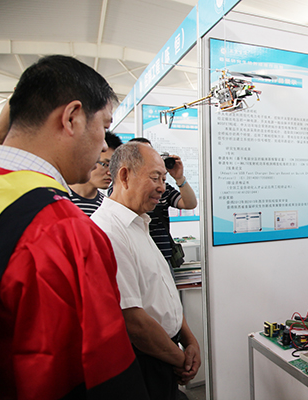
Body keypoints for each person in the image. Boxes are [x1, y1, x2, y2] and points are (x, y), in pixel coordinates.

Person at [0, 55, 148, 399]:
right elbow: (101, 373)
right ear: (72, 117)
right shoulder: (64, 231)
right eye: (103, 125)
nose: (104, 145)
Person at [91, 141, 201, 400]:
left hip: (166, 351)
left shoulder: (139, 222)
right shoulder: (109, 231)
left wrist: (190, 340)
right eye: (155, 177)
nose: (163, 187)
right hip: (146, 359)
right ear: (125, 175)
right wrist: (181, 359)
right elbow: (134, 322)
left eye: (164, 178)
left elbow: (161, 289)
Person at [128, 137, 197, 265]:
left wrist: (179, 178)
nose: (160, 188)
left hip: (163, 256)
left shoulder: (163, 187)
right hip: (138, 258)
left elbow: (190, 204)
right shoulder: (124, 188)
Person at [70, 131, 122, 216]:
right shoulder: (57, 199)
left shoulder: (107, 207)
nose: (110, 172)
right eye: (106, 164)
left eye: (114, 167)